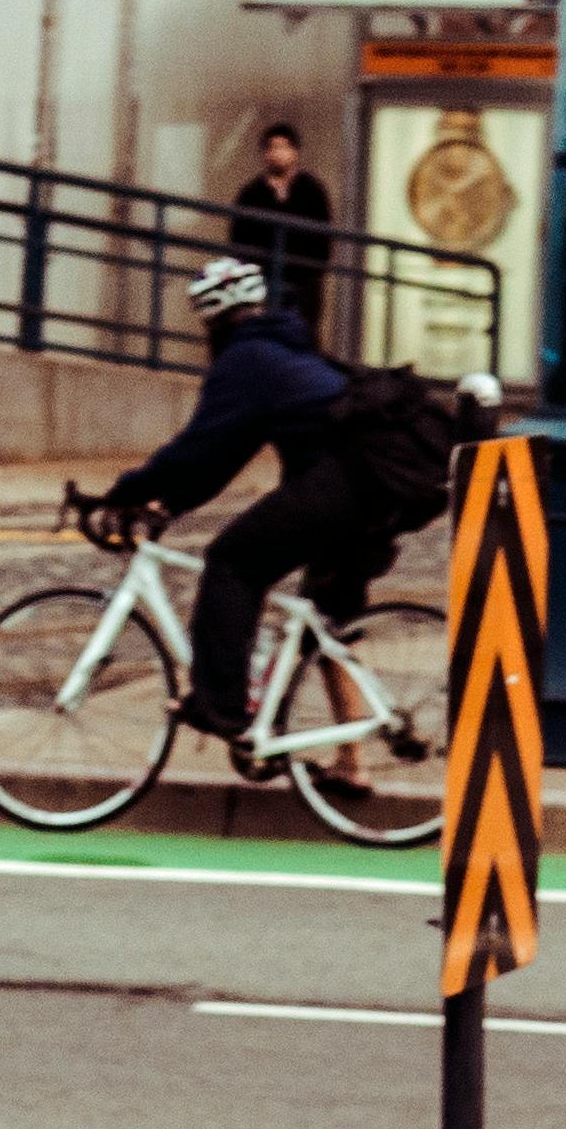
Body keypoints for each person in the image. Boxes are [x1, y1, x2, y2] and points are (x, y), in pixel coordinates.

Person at [96, 257, 396, 777]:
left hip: (342, 487)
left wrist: (125, 491)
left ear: (212, 321)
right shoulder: (285, 349)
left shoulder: (247, 360)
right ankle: (353, 761)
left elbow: (199, 447)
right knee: (329, 619)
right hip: (375, 490)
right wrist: (171, 503)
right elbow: (226, 454)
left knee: (232, 562)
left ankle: (221, 706)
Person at [223, 124, 337, 338]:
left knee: (301, 336)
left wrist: (312, 269)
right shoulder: (251, 193)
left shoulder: (312, 191)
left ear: (295, 152)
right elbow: (239, 237)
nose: (277, 154)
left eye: (283, 147)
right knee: (262, 336)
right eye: (271, 148)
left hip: (302, 281)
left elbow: (323, 236)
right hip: (262, 280)